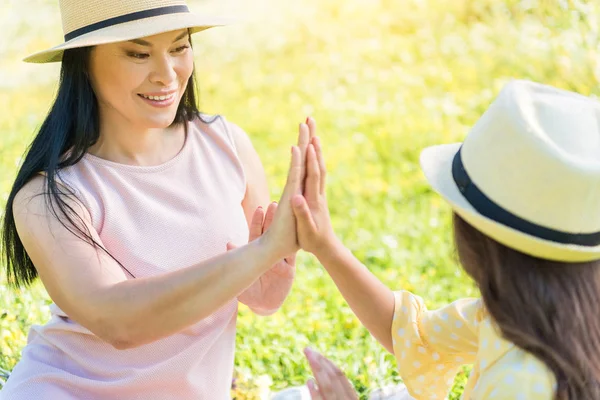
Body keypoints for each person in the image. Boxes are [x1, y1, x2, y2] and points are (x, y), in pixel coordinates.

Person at [0, 1, 317, 398]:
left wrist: (267, 282)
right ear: (83, 62)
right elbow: (118, 320)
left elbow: (261, 294)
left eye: (180, 47)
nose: (167, 74)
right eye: (138, 53)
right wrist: (258, 255)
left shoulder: (227, 147)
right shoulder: (49, 196)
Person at [288, 79, 600, 399]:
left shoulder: (521, 381)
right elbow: (416, 338)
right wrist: (325, 245)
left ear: (479, 241)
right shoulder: (527, 313)